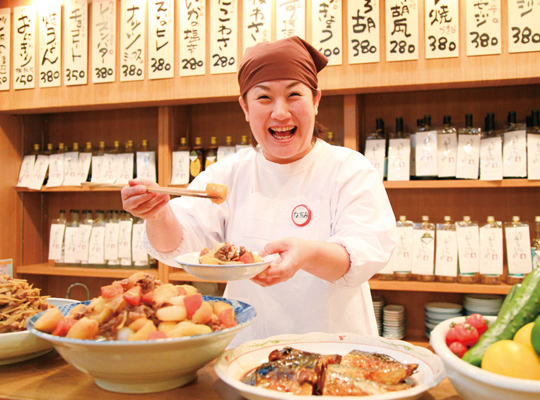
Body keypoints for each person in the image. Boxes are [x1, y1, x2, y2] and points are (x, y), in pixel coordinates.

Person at [121, 36, 396, 346]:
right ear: (245, 107)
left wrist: (307, 253)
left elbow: (365, 251)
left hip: (337, 351)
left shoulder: (349, 169)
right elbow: (178, 245)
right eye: (264, 98)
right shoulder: (227, 175)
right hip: (248, 351)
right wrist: (158, 214)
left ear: (316, 100)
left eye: (294, 94)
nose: (280, 113)